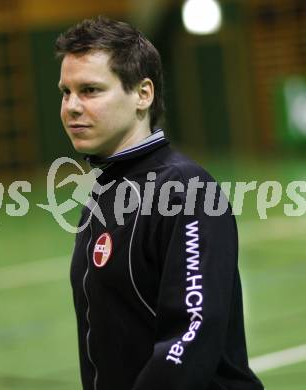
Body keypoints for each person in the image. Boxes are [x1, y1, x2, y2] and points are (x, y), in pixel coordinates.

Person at [55, 16, 264, 390]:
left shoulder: (187, 190)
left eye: (89, 90)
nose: (71, 106)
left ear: (143, 94)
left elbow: (192, 333)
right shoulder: (102, 195)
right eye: (65, 92)